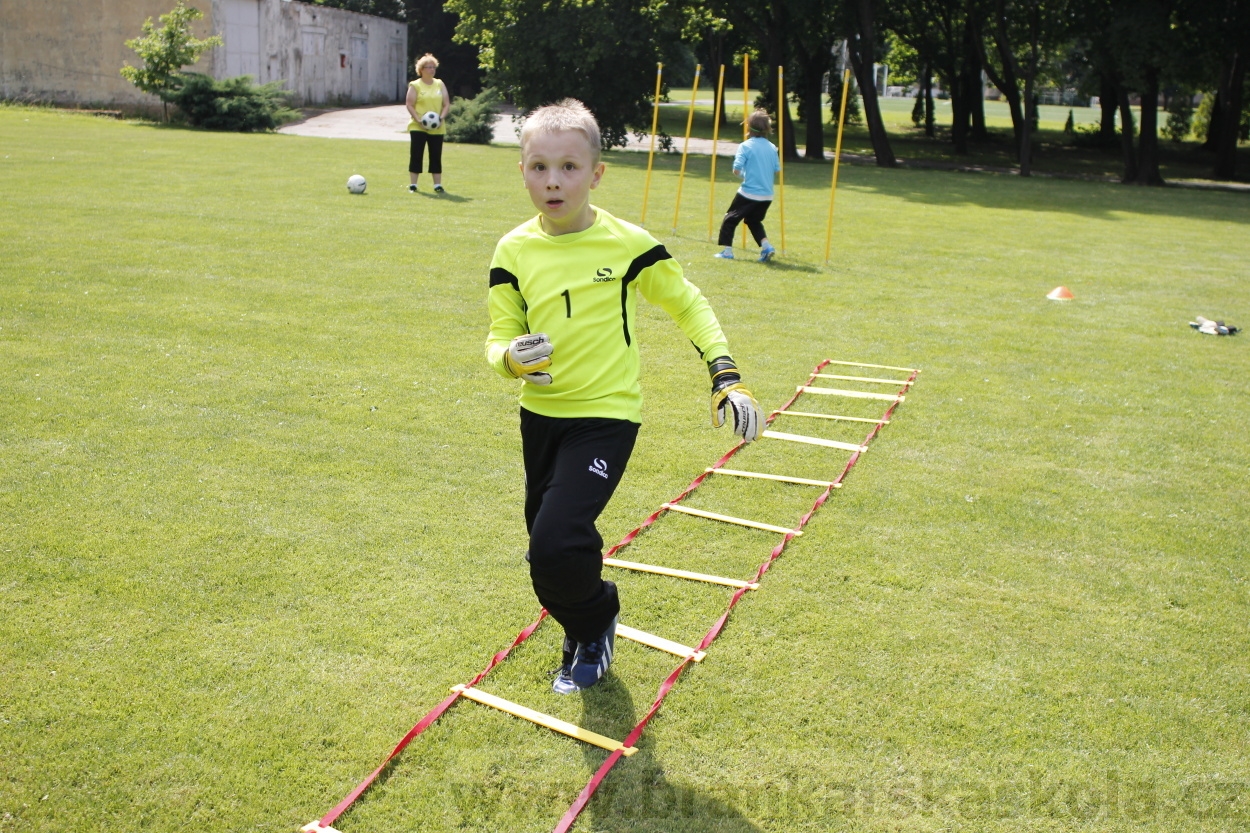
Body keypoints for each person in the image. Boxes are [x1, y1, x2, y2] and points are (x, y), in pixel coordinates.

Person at [485, 99, 765, 694]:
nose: (553, 181)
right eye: (539, 167)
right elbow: (498, 336)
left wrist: (725, 372)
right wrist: (510, 359)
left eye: (568, 167)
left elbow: (687, 301)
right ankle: (582, 617)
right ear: (522, 170)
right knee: (546, 553)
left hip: (607, 418)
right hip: (541, 419)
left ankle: (594, 622)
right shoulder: (512, 250)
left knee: (556, 541)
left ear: (596, 172)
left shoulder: (629, 243)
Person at [714, 109, 781, 263]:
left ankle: (727, 251)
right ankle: (766, 247)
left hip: (749, 192)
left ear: (749, 127)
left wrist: (745, 175)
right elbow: (776, 171)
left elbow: (736, 169)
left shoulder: (745, 146)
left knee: (729, 219)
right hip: (767, 195)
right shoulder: (772, 147)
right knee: (753, 220)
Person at [404, 53, 451, 193]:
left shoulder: (439, 84)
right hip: (418, 127)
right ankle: (413, 185)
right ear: (421, 69)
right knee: (416, 154)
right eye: (429, 67)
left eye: (433, 67)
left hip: (437, 127)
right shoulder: (415, 85)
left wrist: (441, 118)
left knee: (436, 155)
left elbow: (446, 103)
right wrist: (418, 120)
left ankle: (437, 185)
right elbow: (409, 104)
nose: (432, 70)